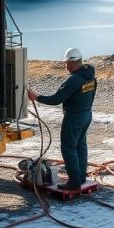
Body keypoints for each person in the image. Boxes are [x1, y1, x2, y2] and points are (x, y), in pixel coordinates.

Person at [27, 48, 97, 190]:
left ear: (71, 63)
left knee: (68, 147)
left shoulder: (74, 80)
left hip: (74, 117)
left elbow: (56, 99)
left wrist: (37, 97)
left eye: (66, 63)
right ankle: (81, 177)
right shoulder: (90, 76)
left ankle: (74, 182)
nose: (65, 66)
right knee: (80, 145)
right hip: (86, 115)